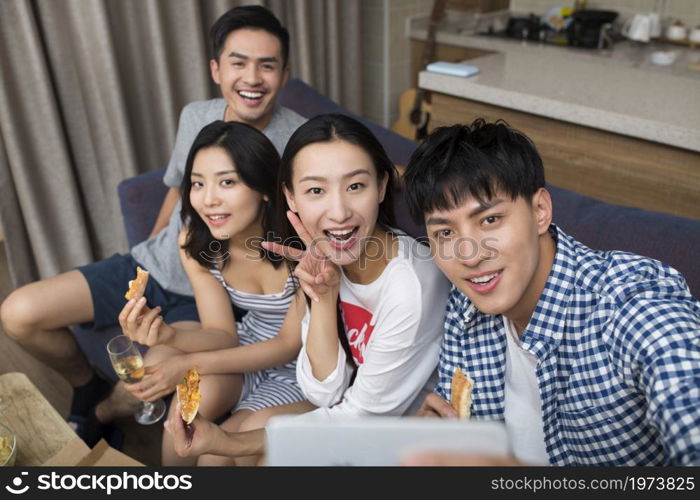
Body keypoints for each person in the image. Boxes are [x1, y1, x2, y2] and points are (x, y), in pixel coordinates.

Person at [0, 5, 305, 446]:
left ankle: (104, 412)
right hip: (157, 259)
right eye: (239, 62)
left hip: (211, 291)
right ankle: (87, 387)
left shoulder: (299, 142)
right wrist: (147, 248)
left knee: (153, 376)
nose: (252, 78)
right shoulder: (196, 116)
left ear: (284, 73)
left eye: (267, 65)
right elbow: (176, 190)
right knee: (18, 313)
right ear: (216, 68)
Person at [400, 119, 700, 466]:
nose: (469, 255)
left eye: (490, 220)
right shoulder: (464, 305)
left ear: (540, 211)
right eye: (445, 234)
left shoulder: (633, 306)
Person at [163, 113, 451, 460]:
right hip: (345, 407)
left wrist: (228, 441)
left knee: (234, 449)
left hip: (397, 435)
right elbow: (323, 390)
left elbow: (360, 419)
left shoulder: (411, 286)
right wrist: (324, 298)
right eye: (316, 190)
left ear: (382, 186)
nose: (339, 212)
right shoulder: (323, 259)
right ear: (292, 198)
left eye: (355, 186)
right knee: (215, 456)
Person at [120, 120, 313, 466]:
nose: (208, 200)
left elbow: (287, 345)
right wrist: (168, 334)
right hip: (245, 346)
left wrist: (186, 363)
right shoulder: (195, 241)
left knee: (216, 458)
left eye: (227, 182)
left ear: (264, 188)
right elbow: (222, 334)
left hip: (304, 365)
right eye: (197, 183)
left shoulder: (301, 245)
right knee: (184, 412)